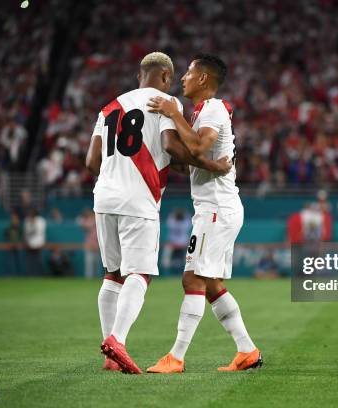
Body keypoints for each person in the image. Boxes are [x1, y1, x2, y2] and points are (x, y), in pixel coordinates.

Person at [85, 52, 232, 374]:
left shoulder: (109, 107)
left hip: (103, 198)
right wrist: (212, 166)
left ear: (141, 74)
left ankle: (110, 356)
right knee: (140, 273)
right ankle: (117, 341)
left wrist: (116, 174)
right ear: (165, 76)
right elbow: (171, 146)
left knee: (112, 274)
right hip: (139, 200)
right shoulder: (166, 102)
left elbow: (91, 162)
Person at [146, 54, 262, 373]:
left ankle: (177, 357)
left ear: (203, 80)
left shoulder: (212, 108)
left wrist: (173, 113)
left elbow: (197, 147)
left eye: (189, 72)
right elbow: (191, 160)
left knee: (192, 278)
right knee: (210, 285)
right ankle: (247, 351)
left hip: (216, 209)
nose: (183, 77)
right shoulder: (200, 113)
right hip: (215, 207)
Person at [77, 208, 100, 279]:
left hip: (97, 244)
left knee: (96, 263)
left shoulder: (98, 220)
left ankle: (95, 278)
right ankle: (89, 278)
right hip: (89, 244)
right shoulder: (86, 221)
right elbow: (81, 223)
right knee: (89, 263)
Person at [23, 209, 46, 275]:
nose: (30, 215)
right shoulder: (27, 220)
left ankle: (41, 275)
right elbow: (26, 233)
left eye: (31, 213)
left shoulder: (41, 220)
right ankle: (29, 275)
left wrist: (33, 223)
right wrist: (26, 243)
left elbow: (39, 232)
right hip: (29, 244)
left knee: (40, 262)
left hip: (39, 244)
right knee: (29, 262)